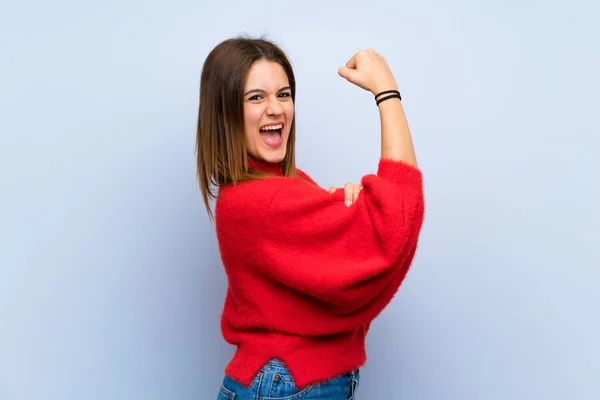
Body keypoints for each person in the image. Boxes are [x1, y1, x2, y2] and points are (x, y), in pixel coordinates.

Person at [196, 36, 424, 400]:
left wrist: (344, 208)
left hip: (287, 382)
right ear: (226, 112)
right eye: (256, 97)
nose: (276, 109)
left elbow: (344, 257)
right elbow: (394, 224)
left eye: (283, 94)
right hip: (286, 384)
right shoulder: (260, 200)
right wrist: (387, 94)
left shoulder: (274, 186)